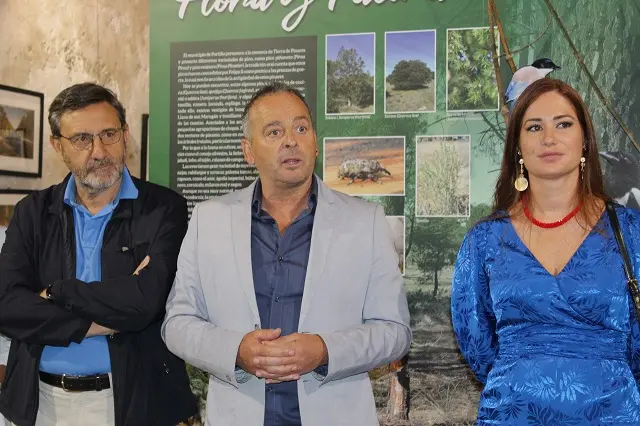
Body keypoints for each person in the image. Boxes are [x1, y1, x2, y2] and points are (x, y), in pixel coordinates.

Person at [161, 82, 412, 426]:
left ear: (315, 143)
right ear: (248, 151)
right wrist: (236, 351)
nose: (291, 140)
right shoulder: (210, 220)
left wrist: (324, 350)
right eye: (274, 131)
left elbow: (395, 331)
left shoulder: (364, 221)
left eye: (301, 128)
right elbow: (178, 323)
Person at [0, 83, 197, 426]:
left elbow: (145, 303)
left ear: (125, 134)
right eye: (82, 139)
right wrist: (95, 325)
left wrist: (57, 292)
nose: (99, 151)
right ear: (58, 146)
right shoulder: (32, 212)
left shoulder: (164, 209)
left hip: (130, 404)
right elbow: (7, 306)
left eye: (109, 134)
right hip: (39, 404)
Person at [451, 78, 640, 425]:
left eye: (563, 124)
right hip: (511, 414)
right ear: (517, 146)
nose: (549, 138)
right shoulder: (483, 241)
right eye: (534, 127)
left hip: (613, 414)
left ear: (585, 140)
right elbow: (477, 346)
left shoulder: (632, 232)